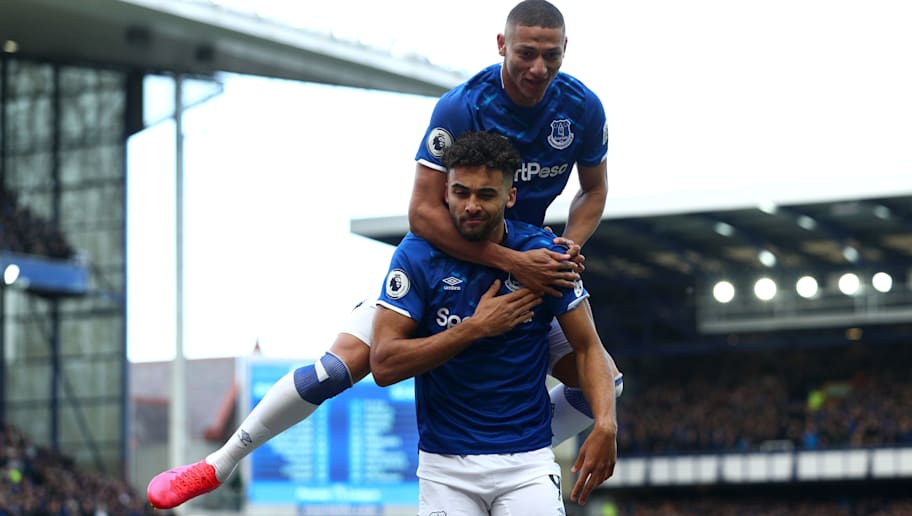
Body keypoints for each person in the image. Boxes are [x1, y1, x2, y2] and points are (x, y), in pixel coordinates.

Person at [146, 0, 622, 509]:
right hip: (452, 258)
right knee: (335, 371)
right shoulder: (462, 107)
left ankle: (516, 454)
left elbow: (593, 190)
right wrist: (510, 261)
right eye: (526, 53)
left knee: (604, 386)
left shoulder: (582, 108)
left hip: (526, 265)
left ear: (565, 49)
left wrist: (566, 246)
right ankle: (218, 463)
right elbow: (422, 213)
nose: (538, 68)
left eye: (551, 56)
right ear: (502, 45)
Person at [371, 131, 617, 514]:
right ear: (446, 193)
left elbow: (588, 347)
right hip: (445, 468)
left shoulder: (543, 255)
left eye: (486, 195)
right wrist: (474, 328)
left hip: (526, 464)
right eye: (461, 192)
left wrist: (605, 425)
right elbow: (384, 364)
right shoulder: (416, 255)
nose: (471, 205)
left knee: (613, 382)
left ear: (510, 196)